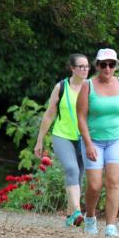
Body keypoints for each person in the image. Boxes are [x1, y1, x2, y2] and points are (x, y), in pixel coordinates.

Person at [77, 49, 119, 238]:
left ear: (115, 66)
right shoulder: (88, 86)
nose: (107, 68)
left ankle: (111, 226)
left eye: (111, 64)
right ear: (97, 66)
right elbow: (81, 117)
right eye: (103, 64)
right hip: (93, 140)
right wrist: (88, 143)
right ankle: (90, 217)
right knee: (95, 185)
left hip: (117, 139)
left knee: (113, 181)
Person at [33, 54, 90, 227]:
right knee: (72, 169)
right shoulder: (61, 87)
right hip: (62, 135)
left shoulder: (91, 87)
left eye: (87, 66)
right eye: (81, 66)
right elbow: (50, 113)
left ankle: (69, 216)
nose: (85, 69)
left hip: (83, 137)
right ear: (72, 68)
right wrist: (40, 140)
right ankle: (78, 211)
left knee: (78, 177)